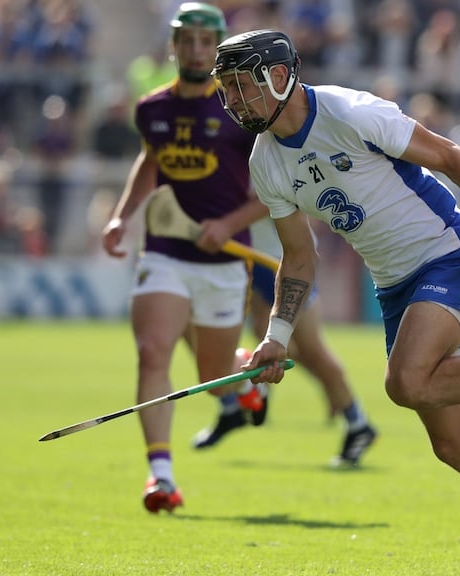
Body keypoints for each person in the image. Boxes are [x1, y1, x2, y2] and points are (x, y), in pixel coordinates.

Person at [213, 29, 460, 575]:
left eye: (242, 86)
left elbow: (454, 157)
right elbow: (299, 257)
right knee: (454, 445)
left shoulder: (350, 112)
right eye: (228, 90)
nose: (234, 101)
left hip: (446, 255)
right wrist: (275, 337)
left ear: (280, 76)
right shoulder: (266, 161)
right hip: (393, 287)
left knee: (404, 382)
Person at [100, 3, 269, 514]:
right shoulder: (152, 108)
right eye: (186, 40)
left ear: (216, 47)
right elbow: (151, 160)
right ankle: (161, 476)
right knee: (153, 352)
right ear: (173, 45)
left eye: (205, 41)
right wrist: (122, 215)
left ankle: (239, 372)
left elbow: (276, 192)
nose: (194, 50)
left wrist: (229, 225)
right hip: (166, 251)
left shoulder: (240, 110)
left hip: (224, 261)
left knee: (211, 371)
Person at [192, 216, 379, 469]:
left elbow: (262, 202)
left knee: (313, 350)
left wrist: (226, 222)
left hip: (286, 261)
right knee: (271, 343)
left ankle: (358, 424)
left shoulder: (263, 175)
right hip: (254, 258)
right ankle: (248, 402)